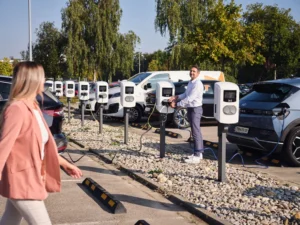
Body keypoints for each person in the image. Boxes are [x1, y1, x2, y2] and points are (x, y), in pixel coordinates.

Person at [0, 61, 82, 225]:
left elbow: (44, 146)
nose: (44, 82)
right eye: (42, 78)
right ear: (32, 81)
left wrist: (65, 164)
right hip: (22, 181)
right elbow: (4, 147)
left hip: (29, 178)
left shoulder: (34, 107)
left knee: (9, 221)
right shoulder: (17, 109)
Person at [169, 65, 204, 163]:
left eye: (194, 71)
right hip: (190, 108)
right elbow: (185, 94)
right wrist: (176, 97)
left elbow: (190, 98)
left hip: (195, 109)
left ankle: (197, 155)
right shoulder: (190, 82)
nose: (192, 73)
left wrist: (177, 105)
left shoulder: (197, 84)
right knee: (194, 131)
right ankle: (199, 153)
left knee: (196, 132)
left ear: (198, 73)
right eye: (191, 71)